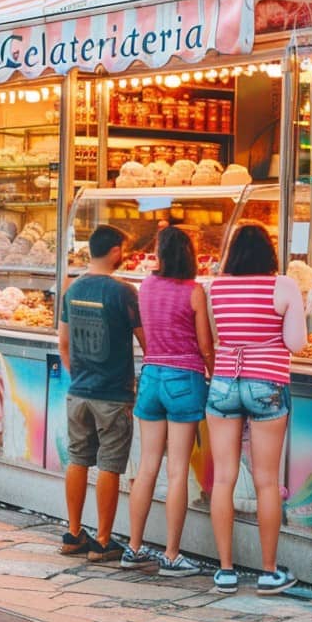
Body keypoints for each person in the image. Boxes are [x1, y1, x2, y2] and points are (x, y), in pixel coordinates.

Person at [205, 223, 305, 595]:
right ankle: (267, 571)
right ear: (270, 252)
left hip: (223, 384)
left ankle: (226, 570)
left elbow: (215, 337)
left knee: (224, 478)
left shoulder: (215, 286)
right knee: (266, 480)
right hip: (267, 384)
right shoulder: (283, 285)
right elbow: (296, 343)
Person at [121, 228, 214, 577]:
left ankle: (133, 546)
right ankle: (172, 555)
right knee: (176, 472)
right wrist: (214, 373)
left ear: (160, 254)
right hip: (184, 380)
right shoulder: (194, 292)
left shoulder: (147, 286)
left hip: (151, 377)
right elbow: (205, 345)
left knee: (146, 467)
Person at [57, 225, 143, 563]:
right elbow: (145, 339)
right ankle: (103, 540)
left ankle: (74, 532)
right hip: (113, 393)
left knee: (77, 459)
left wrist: (79, 374)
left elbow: (63, 344)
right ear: (117, 251)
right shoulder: (124, 292)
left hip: (78, 391)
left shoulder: (72, 288)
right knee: (109, 464)